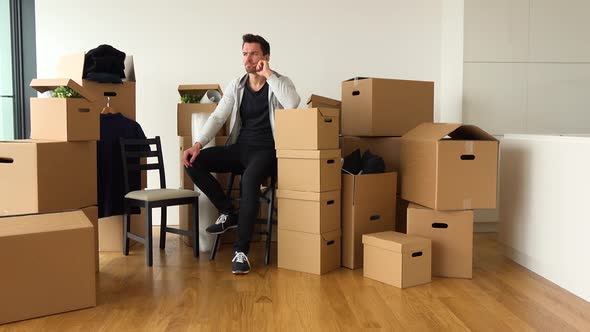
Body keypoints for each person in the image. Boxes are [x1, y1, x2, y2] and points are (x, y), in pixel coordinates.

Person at [182, 34, 300, 274]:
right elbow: (218, 116)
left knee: (249, 180)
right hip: (240, 149)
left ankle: (241, 251)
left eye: (254, 53)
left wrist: (269, 75)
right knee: (194, 162)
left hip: (268, 152)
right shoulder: (236, 85)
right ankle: (228, 211)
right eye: (245, 53)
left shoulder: (279, 82)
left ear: (265, 57)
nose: (248, 58)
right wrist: (197, 144)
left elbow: (293, 103)